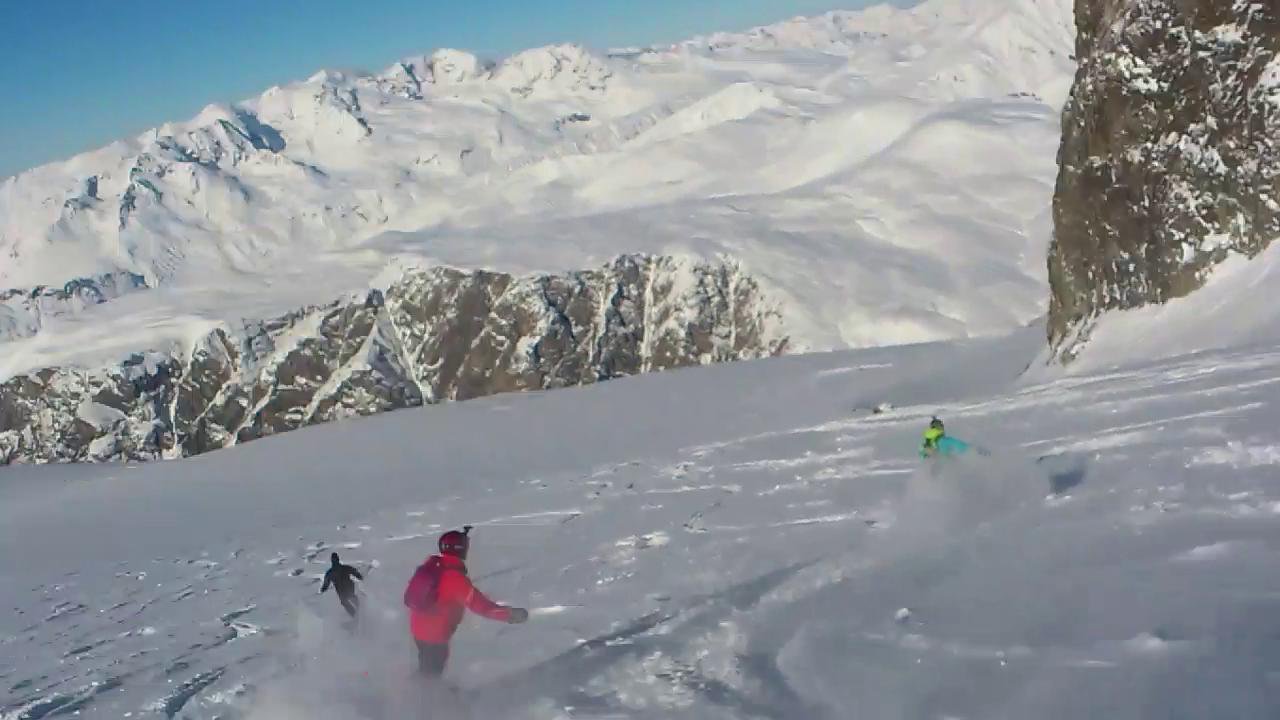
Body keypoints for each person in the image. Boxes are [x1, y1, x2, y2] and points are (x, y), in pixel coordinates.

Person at [403, 527, 529, 677]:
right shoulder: (455, 579)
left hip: (418, 628)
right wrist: (510, 615)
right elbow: (482, 608)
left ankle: (421, 685)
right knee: (432, 671)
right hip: (435, 634)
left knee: (427, 663)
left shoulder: (432, 565)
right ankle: (424, 690)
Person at [321, 552, 364, 618]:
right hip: (345, 588)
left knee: (346, 600)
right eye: (334, 560)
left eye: (335, 560)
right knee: (349, 598)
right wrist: (359, 576)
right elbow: (353, 571)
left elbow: (326, 583)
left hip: (344, 589)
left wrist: (324, 588)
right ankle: (358, 612)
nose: (335, 561)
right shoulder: (343, 568)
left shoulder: (331, 572)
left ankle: (356, 613)